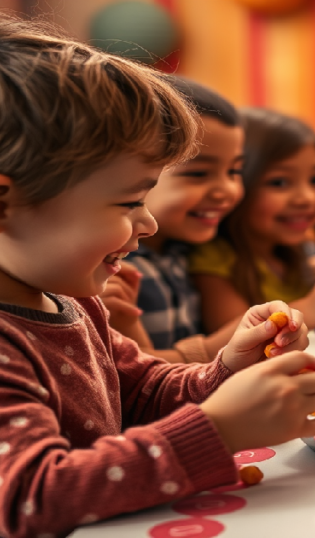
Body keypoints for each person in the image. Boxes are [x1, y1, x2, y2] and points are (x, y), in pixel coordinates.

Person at [0, 17, 315, 537]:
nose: (147, 223)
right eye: (128, 202)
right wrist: (218, 429)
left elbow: (142, 394)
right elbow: (31, 499)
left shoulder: (69, 300)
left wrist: (226, 372)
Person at [190, 108, 315, 332]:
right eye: (279, 183)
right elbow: (235, 344)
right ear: (238, 183)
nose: (307, 198)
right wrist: (314, 306)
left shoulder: (301, 242)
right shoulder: (214, 259)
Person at [100, 76, 244, 363]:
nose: (226, 190)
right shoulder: (107, 269)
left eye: (235, 171)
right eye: (198, 173)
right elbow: (137, 378)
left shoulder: (181, 251)